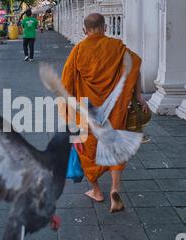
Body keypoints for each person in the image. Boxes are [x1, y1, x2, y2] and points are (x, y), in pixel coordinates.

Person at [61, 13, 149, 213]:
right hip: (114, 110)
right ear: (105, 27)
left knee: (88, 151)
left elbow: (66, 86)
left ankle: (96, 191)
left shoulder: (78, 51)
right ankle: (115, 189)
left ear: (85, 30)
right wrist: (139, 97)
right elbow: (135, 68)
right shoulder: (117, 47)